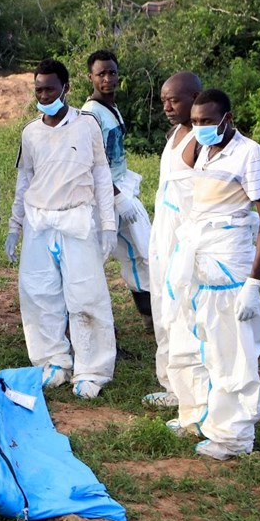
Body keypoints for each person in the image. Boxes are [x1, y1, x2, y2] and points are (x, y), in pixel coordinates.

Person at [163, 89, 260, 460]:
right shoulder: (204, 152)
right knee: (198, 341)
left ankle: (233, 437)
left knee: (233, 352)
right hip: (200, 262)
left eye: (208, 122)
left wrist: (252, 284)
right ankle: (198, 415)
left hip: (230, 267)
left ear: (227, 118)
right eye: (195, 122)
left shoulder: (250, 154)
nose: (200, 128)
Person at [5, 59, 116, 399]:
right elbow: (25, 179)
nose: (43, 94)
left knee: (86, 295)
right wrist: (15, 226)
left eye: (50, 89)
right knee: (38, 295)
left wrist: (108, 225)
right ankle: (52, 361)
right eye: (39, 89)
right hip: (40, 221)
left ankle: (91, 369)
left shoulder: (87, 125)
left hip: (76, 220)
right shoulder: (31, 131)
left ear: (66, 88)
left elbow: (101, 173)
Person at [80, 50, 153, 331]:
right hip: (103, 197)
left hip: (120, 187)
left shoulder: (110, 106)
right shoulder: (91, 114)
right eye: (101, 74)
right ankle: (86, 322)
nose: (107, 79)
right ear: (91, 77)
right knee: (94, 258)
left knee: (138, 251)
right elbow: (92, 164)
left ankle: (150, 317)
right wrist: (116, 196)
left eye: (112, 72)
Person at [143, 71, 203, 409]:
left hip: (185, 239)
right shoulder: (176, 133)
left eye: (174, 99)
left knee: (184, 312)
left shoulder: (201, 140)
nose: (167, 106)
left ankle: (191, 389)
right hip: (162, 234)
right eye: (164, 99)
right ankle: (170, 383)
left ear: (195, 98)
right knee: (163, 308)